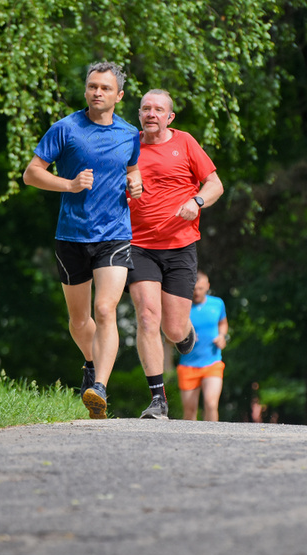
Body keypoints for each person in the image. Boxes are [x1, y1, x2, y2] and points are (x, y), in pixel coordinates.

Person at [23, 62, 143, 419]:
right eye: (92, 86)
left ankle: (100, 387)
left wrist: (135, 184)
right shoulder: (65, 129)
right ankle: (90, 362)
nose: (97, 92)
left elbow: (133, 169)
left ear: (119, 96)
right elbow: (32, 174)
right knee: (79, 321)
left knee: (105, 310)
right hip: (72, 234)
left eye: (105, 88)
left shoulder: (129, 134)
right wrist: (70, 185)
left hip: (114, 235)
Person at [128, 89, 224, 420]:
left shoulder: (184, 143)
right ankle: (158, 400)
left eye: (158, 110)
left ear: (169, 117)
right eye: (145, 109)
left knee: (173, 328)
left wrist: (196, 201)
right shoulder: (128, 146)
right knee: (146, 317)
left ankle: (184, 333)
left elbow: (215, 184)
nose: (151, 114)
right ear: (139, 114)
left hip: (180, 247)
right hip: (138, 246)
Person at [177, 270, 228, 421]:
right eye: (194, 289)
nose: (197, 292)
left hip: (212, 362)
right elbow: (169, 336)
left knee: (211, 404)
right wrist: (184, 337)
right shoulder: (182, 307)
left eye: (201, 288)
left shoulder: (217, 303)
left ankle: (214, 439)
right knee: (190, 411)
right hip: (188, 365)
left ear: (207, 286)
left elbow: (223, 323)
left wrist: (222, 336)